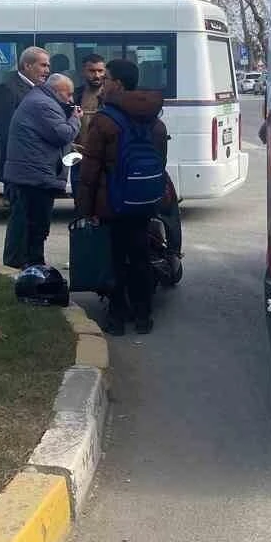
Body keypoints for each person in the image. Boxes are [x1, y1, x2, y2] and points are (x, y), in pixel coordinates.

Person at [76, 58, 170, 335]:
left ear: (117, 83)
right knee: (140, 257)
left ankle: (117, 317)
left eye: (106, 79)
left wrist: (84, 209)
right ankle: (143, 316)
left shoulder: (105, 120)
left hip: (112, 204)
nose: (102, 84)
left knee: (114, 259)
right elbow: (160, 162)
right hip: (143, 201)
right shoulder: (154, 119)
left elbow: (90, 170)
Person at [3, 72, 81, 270]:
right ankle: (34, 266)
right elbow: (62, 134)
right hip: (36, 177)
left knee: (30, 224)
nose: (71, 100)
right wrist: (75, 119)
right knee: (37, 226)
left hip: (33, 174)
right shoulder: (43, 104)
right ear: (56, 90)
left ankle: (28, 263)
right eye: (68, 94)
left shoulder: (39, 99)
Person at [0, 47, 50, 188]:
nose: (47, 71)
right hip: (17, 168)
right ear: (27, 65)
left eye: (48, 66)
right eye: (43, 65)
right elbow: (4, 131)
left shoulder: (41, 89)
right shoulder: (7, 89)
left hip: (33, 166)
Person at [69, 53, 109, 197]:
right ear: (83, 72)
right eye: (92, 71)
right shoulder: (74, 96)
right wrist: (70, 143)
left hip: (103, 158)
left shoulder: (110, 96)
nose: (97, 75)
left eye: (100, 71)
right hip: (79, 158)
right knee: (80, 201)